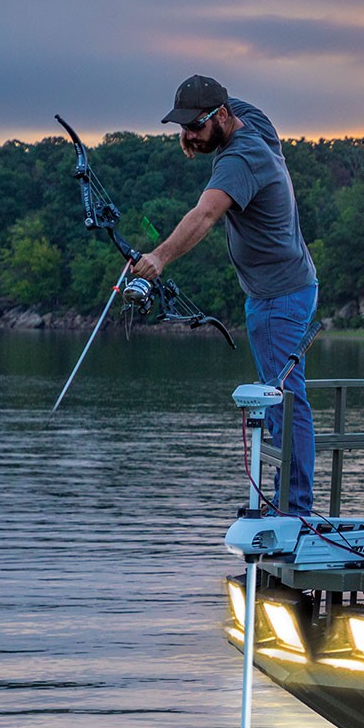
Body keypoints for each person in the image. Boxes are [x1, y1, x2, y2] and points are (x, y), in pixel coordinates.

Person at [133, 75, 318, 516]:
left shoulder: (241, 158)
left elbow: (205, 214)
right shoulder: (251, 120)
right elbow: (227, 101)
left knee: (283, 404)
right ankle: (288, 505)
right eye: (181, 127)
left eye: (194, 127)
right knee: (284, 400)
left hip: (278, 299)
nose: (187, 137)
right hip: (287, 289)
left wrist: (158, 259)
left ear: (219, 117)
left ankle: (294, 512)